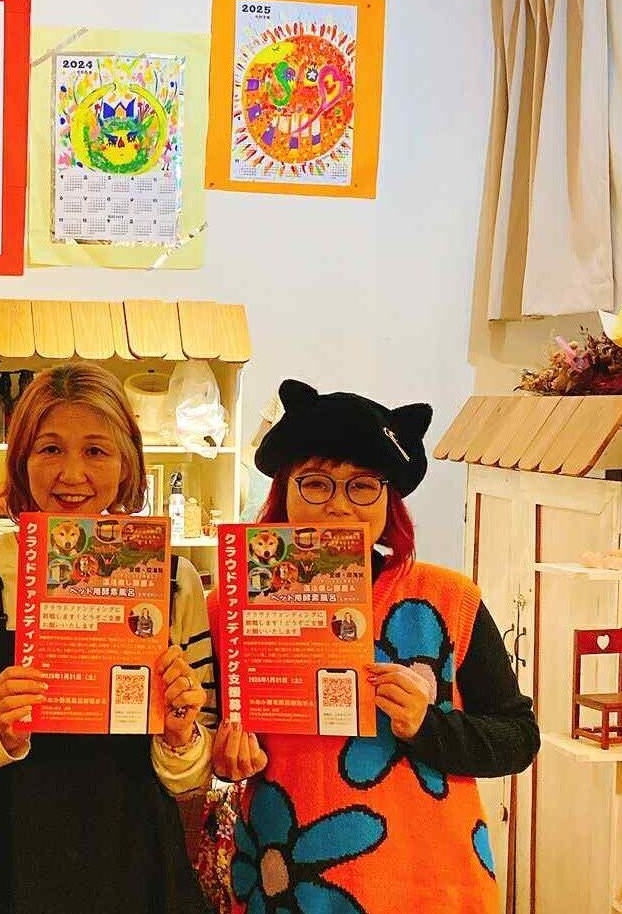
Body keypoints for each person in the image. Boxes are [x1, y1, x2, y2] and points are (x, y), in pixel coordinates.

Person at [211, 379, 539, 914]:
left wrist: (427, 725)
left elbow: (518, 738)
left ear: (390, 498)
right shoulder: (231, 603)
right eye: (315, 483)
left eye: (363, 486)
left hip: (427, 883)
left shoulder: (447, 599)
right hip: (286, 878)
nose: (339, 506)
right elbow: (201, 740)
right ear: (283, 491)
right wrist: (224, 759)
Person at [0, 362, 215, 914]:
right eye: (50, 448)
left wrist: (180, 734)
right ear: (21, 460)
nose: (73, 473)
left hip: (133, 868)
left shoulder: (172, 581)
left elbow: (196, 769)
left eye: (96, 450)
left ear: (127, 463)